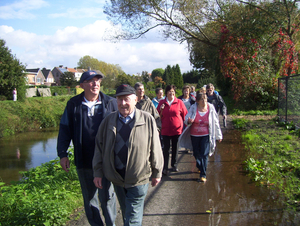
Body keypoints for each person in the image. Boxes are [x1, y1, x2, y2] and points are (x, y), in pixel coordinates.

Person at [93, 84, 163, 226]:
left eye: (126, 99)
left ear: (135, 100)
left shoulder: (147, 119)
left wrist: (157, 171)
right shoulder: (108, 121)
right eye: (119, 99)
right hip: (117, 178)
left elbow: (156, 147)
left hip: (138, 178)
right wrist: (97, 171)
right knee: (126, 211)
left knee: (133, 217)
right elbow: (99, 148)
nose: (123, 103)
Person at [57, 70, 117, 226]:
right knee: (90, 200)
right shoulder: (73, 104)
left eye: (97, 80)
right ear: (82, 85)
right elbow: (65, 129)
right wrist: (62, 154)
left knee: (108, 198)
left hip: (106, 161)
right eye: (91, 81)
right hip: (84, 160)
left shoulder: (111, 103)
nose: (95, 83)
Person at [178, 92, 223, 182]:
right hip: (195, 135)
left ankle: (203, 174)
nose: (204, 101)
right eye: (202, 99)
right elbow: (186, 118)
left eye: (205, 99)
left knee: (204, 154)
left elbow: (215, 122)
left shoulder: (210, 108)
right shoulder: (194, 108)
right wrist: (189, 121)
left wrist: (219, 135)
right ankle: (199, 165)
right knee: (196, 153)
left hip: (206, 135)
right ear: (197, 101)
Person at [157, 85, 188, 175]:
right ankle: (165, 167)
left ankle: (174, 165)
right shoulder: (162, 102)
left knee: (175, 148)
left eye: (173, 91)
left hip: (176, 130)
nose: (171, 93)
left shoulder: (179, 102)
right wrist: (161, 110)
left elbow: (185, 115)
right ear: (166, 93)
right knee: (165, 149)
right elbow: (157, 116)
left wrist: (187, 126)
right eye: (170, 91)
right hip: (165, 130)